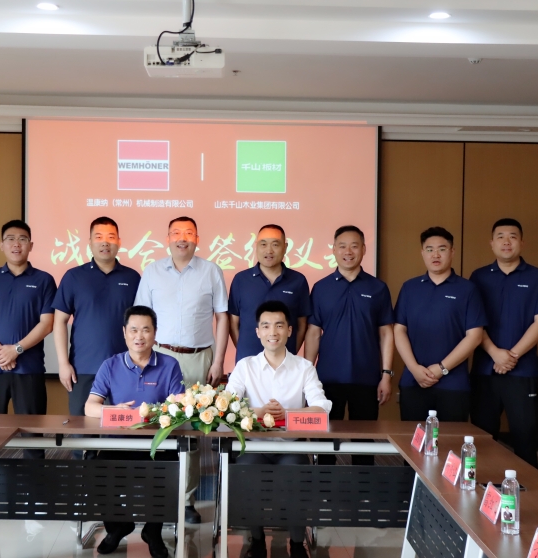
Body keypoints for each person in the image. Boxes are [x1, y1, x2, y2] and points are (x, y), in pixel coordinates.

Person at [134, 215, 229, 523]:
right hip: (159, 358)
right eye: (176, 232)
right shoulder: (152, 271)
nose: (182, 238)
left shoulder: (211, 271)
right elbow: (141, 318)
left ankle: (187, 501)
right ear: (168, 238)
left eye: (189, 233)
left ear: (197, 239)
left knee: (192, 430)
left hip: (199, 357)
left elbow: (222, 317)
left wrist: (218, 361)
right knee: (157, 425)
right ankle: (154, 496)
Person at [227, 300, 332, 558]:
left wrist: (287, 415)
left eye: (279, 325)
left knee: (296, 476)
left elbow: (321, 408)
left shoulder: (304, 367)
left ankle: (296, 544)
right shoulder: (245, 366)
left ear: (289, 330)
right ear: (257, 332)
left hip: (291, 446)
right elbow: (227, 408)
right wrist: (259, 412)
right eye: (266, 326)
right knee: (246, 474)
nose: (272, 332)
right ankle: (257, 541)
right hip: (254, 446)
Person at [85, 305, 184, 558]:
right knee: (95, 474)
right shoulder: (110, 365)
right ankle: (118, 526)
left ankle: (153, 531)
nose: (139, 336)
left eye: (146, 330)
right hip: (118, 444)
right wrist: (113, 410)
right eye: (134, 330)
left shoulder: (170, 364)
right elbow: (90, 407)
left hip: (157, 445)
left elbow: (181, 406)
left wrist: (157, 412)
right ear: (124, 333)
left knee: (171, 472)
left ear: (155, 333)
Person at [469, 218, 538, 467]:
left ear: (522, 242)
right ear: (491, 243)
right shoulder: (478, 277)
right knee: (481, 437)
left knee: (525, 437)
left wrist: (511, 356)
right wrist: (494, 353)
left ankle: (527, 490)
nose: (506, 242)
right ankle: (479, 487)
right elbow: (473, 323)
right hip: (485, 370)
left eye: (513, 236)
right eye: (500, 236)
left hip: (522, 372)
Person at [304, 225, 394, 465]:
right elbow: (313, 333)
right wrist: (306, 375)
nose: (348, 251)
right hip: (327, 378)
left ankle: (362, 486)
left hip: (366, 378)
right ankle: (325, 485)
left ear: (364, 249)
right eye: (342, 246)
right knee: (325, 441)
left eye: (354, 246)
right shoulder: (321, 288)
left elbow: (386, 333)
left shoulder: (378, 288)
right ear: (333, 250)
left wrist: (386, 374)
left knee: (364, 442)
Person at [0, 220, 56, 458]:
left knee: (32, 436)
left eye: (22, 239)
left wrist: (16, 349)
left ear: (31, 245)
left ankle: (33, 481)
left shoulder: (44, 280)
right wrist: (0, 351)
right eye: (10, 239)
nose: (16, 244)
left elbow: (47, 323)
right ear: (1, 245)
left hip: (29, 369)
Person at [394, 227, 486, 422]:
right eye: (429, 249)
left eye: (442, 249)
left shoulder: (467, 289)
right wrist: (414, 368)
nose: (435, 254)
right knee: (413, 437)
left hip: (453, 384)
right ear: (422, 253)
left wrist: (442, 368)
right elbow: (399, 330)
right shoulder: (410, 288)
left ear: (452, 252)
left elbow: (475, 336)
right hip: (414, 381)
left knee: (451, 439)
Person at [53, 217, 140, 416]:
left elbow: (142, 324)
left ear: (119, 242)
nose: (105, 242)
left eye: (111, 237)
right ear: (90, 242)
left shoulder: (132, 277)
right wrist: (63, 363)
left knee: (122, 424)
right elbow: (59, 321)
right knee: (82, 425)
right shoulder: (74, 276)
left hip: (124, 367)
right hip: (82, 368)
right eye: (99, 237)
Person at [228, 224, 310, 361]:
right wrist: (245, 352)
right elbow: (233, 323)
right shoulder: (241, 280)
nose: (269, 250)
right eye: (263, 244)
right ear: (256, 246)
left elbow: (302, 325)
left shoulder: (298, 281)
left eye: (275, 245)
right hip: (248, 362)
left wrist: (290, 353)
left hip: (285, 363)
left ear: (285, 247)